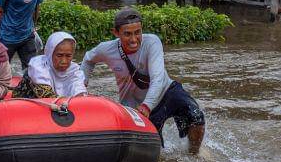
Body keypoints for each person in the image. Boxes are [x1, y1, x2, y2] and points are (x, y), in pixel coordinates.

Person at [81, 8, 206, 154]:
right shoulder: (106, 49)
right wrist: (82, 85)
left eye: (137, 32)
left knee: (196, 117)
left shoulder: (152, 42)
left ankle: (194, 154)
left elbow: (158, 78)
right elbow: (88, 59)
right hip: (136, 106)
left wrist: (147, 105)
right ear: (115, 33)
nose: (134, 40)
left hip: (166, 91)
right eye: (127, 34)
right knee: (155, 152)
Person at [14, 31, 87, 99]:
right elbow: (47, 97)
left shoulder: (74, 70)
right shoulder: (38, 68)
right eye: (59, 55)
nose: (64, 61)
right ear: (50, 53)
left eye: (68, 56)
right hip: (25, 105)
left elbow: (78, 89)